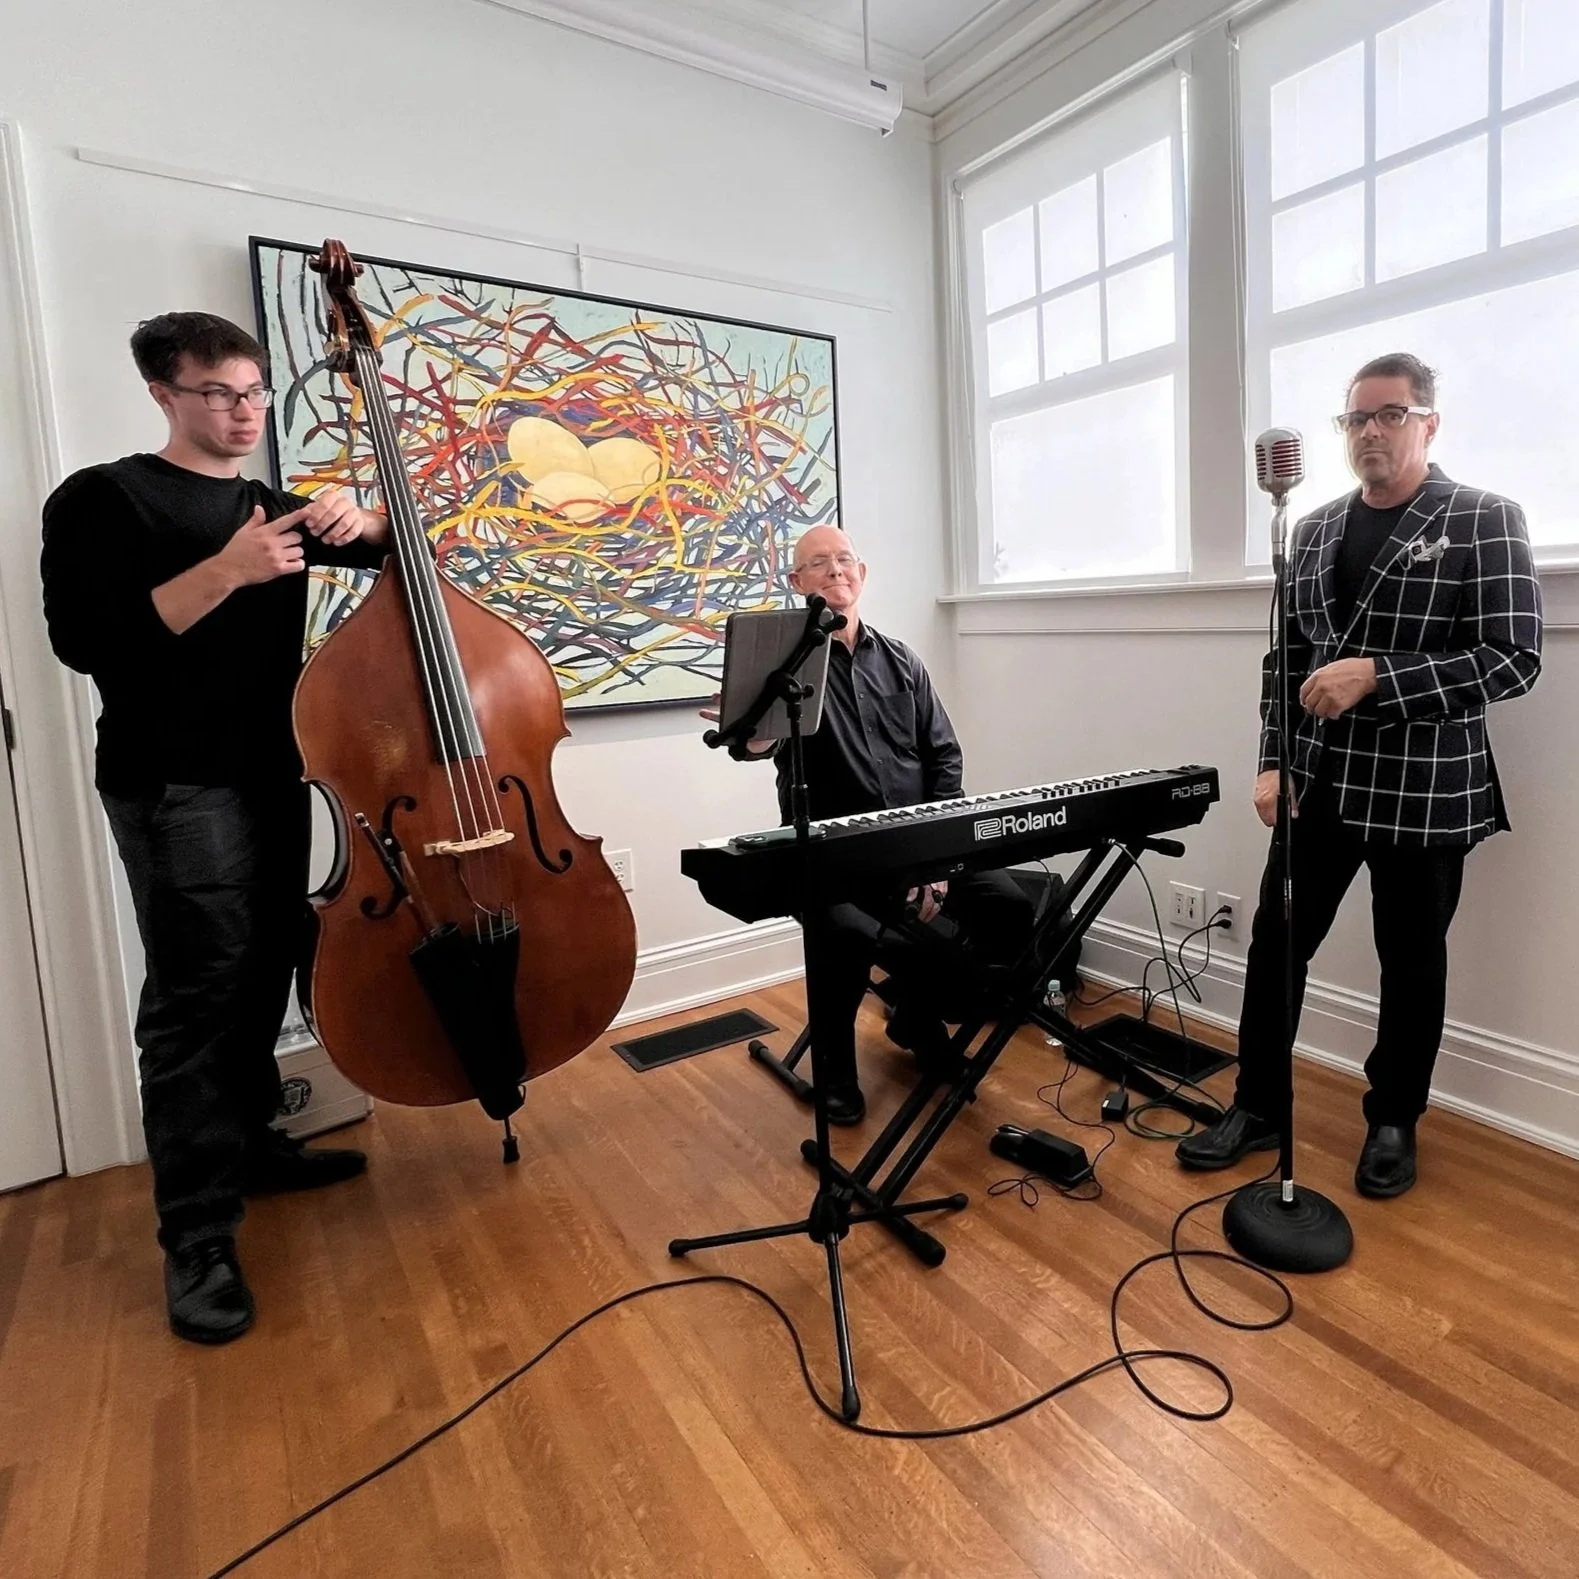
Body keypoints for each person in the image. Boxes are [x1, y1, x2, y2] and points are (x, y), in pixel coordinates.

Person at [41, 312, 390, 1343]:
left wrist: (361, 517)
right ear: (164, 393)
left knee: (269, 965)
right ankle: (196, 1236)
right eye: (220, 395)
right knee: (196, 999)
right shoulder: (104, 498)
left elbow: (388, 556)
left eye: (254, 393)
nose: (244, 413)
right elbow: (87, 642)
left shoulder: (261, 501)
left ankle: (256, 1151)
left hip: (273, 772)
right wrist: (230, 570)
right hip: (173, 785)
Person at [1176, 353, 1542, 1197]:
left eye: (1389, 414)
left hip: (1424, 791)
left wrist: (1379, 675)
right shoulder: (1309, 530)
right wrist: (1270, 758)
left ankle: (1391, 1119)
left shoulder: (1482, 518)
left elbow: (1512, 659)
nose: (1370, 431)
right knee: (1277, 942)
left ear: (1427, 423)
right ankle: (1258, 1102)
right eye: (1356, 418)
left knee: (1409, 961)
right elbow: (1288, 658)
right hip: (1316, 783)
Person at [721, 525, 1036, 1125]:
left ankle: (917, 1015)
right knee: (843, 937)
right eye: (818, 564)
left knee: (1009, 906)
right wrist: (754, 730)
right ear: (797, 583)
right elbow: (754, 745)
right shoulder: (784, 669)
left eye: (845, 560)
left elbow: (945, 757)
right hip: (832, 860)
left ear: (861, 575)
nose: (835, 571)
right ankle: (836, 1075)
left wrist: (938, 863)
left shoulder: (902, 661)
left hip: (921, 847)